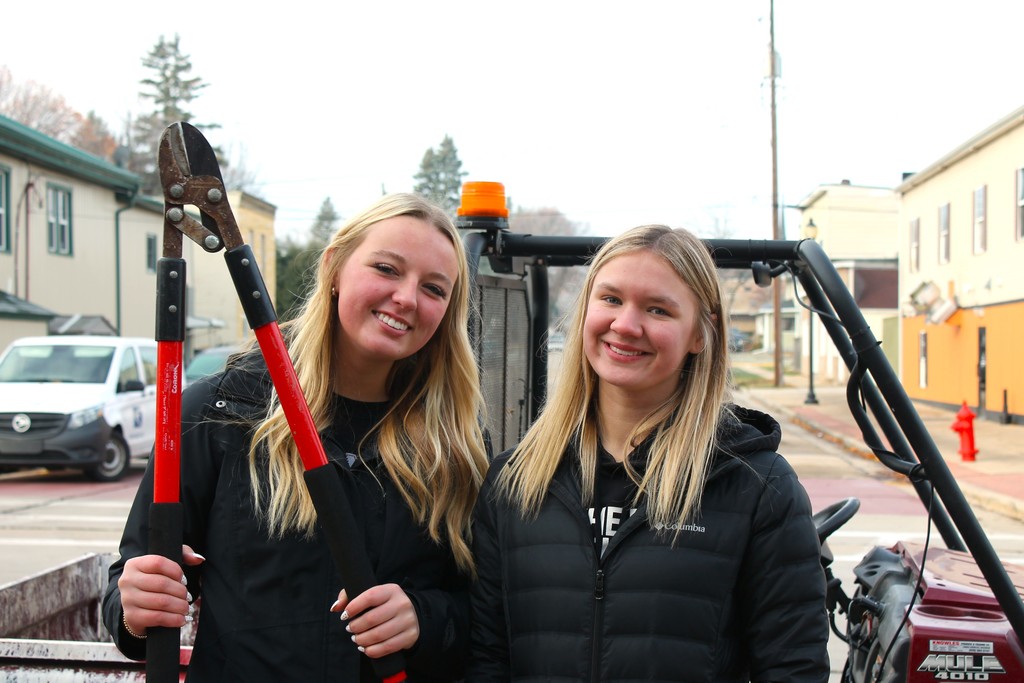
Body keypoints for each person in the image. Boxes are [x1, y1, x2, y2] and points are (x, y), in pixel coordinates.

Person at [103, 193, 489, 682]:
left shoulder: (457, 443)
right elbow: (129, 595)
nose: (407, 298)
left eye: (434, 289)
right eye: (387, 269)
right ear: (334, 267)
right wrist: (135, 606)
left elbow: (488, 616)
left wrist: (424, 619)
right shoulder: (218, 414)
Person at [469, 225, 829, 683]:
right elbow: (486, 659)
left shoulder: (758, 487)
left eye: (658, 309)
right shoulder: (514, 481)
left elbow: (794, 670)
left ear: (700, 334)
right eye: (611, 299)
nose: (626, 325)